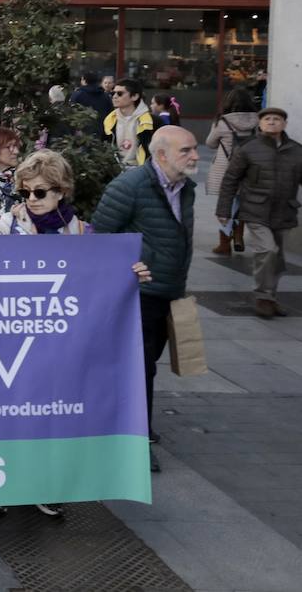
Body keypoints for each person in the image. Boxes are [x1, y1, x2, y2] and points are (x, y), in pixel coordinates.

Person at [92, 126, 200, 472]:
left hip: (169, 291)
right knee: (141, 369)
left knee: (145, 364)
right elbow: (100, 237)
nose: (195, 156)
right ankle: (137, 441)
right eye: (186, 150)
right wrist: (129, 266)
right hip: (138, 293)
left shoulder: (186, 188)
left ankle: (123, 424)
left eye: (194, 149)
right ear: (161, 154)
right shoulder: (130, 187)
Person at [216, 107, 302, 319]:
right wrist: (224, 209)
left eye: (277, 119)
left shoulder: (297, 150)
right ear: (260, 124)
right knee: (267, 250)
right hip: (255, 209)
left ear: (284, 124)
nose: (272, 122)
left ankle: (271, 297)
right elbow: (230, 179)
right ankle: (263, 297)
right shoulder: (248, 148)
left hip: (284, 211)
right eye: (267, 119)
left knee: (278, 257)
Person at [205, 87, 258, 255]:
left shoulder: (223, 122)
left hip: (225, 168)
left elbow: (210, 143)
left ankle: (225, 242)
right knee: (240, 203)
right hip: (249, 168)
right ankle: (239, 236)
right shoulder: (257, 121)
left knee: (225, 204)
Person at [104, 78, 154, 167]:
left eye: (120, 94)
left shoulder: (151, 121)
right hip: (115, 171)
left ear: (135, 96)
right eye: (113, 93)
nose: (114, 96)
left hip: (141, 171)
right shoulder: (110, 120)